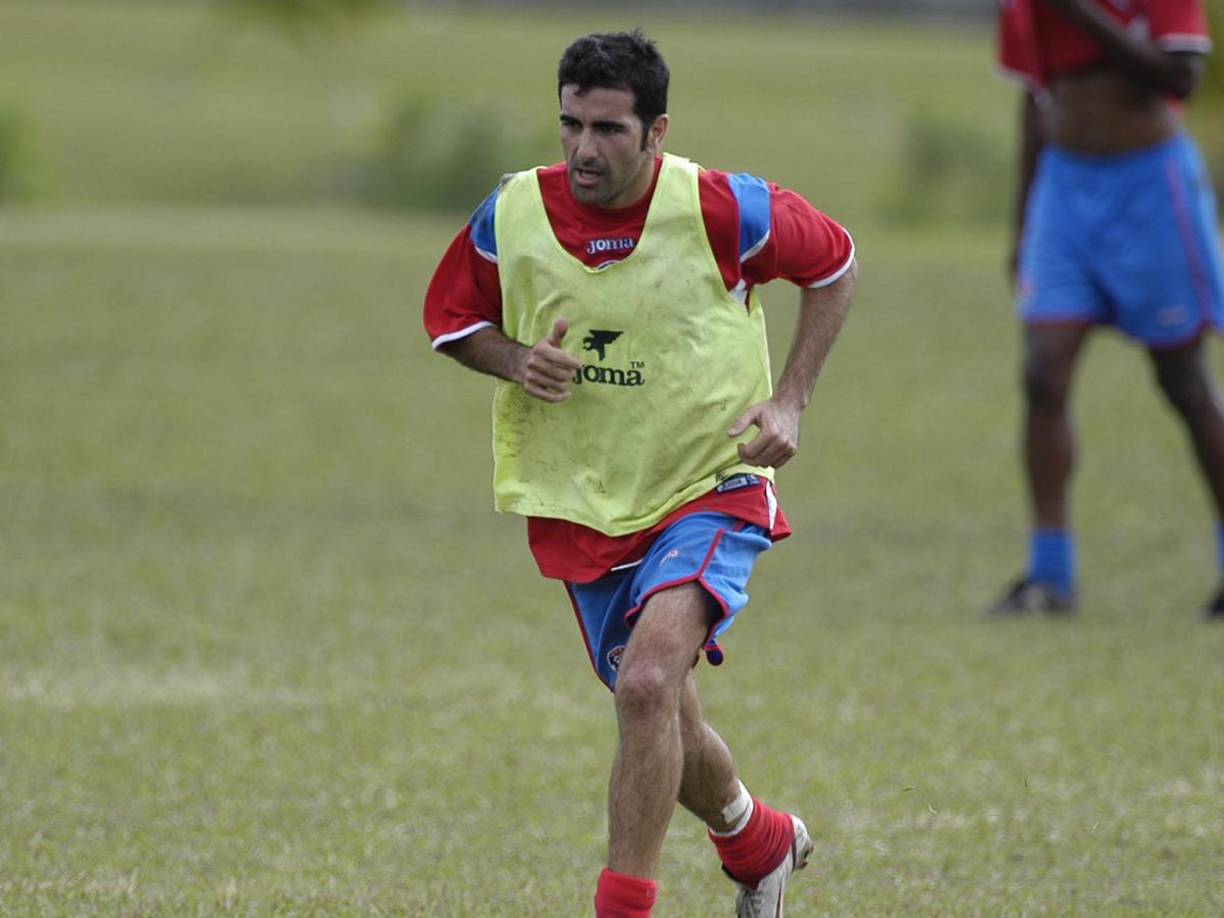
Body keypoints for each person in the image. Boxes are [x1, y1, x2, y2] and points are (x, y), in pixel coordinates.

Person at [423, 30, 856, 917]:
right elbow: (451, 320)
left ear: (657, 132)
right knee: (661, 713)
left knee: (650, 683)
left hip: (712, 482)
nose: (585, 148)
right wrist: (515, 363)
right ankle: (759, 842)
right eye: (571, 125)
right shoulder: (510, 213)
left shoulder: (724, 208)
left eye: (610, 129)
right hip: (584, 499)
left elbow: (835, 263)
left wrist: (791, 401)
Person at [990, 0, 1224, 618]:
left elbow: (1180, 80)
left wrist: (1082, 14)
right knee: (1042, 376)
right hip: (1065, 192)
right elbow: (1035, 103)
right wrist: (1021, 224)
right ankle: (1050, 576)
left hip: (1149, 186)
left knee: (1183, 380)